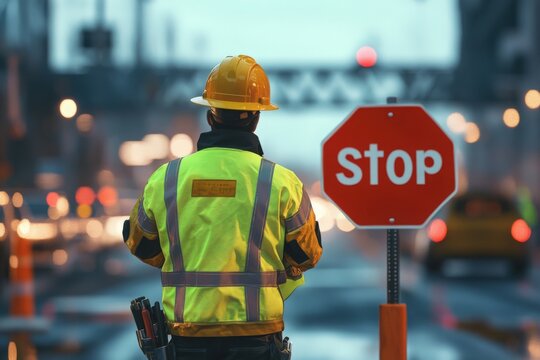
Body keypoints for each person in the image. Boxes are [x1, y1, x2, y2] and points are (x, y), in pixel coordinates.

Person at [123, 55, 322, 360]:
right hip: (257, 339)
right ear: (257, 116)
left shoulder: (167, 178)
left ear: (210, 115)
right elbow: (308, 253)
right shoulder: (280, 182)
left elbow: (138, 241)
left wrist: (184, 251)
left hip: (186, 337)